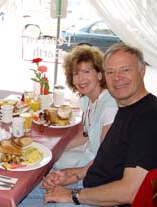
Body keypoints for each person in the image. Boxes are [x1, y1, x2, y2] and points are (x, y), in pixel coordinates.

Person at [43, 43, 157, 206]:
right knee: (20, 193)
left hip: (98, 199)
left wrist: (72, 195)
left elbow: (130, 192)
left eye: (125, 69)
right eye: (111, 72)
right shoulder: (125, 108)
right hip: (88, 185)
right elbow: (106, 159)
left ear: (142, 70)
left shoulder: (149, 118)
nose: (117, 77)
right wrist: (74, 174)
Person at [18, 45, 118, 207]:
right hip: (85, 164)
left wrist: (73, 176)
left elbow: (105, 156)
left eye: (86, 72)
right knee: (24, 190)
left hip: (96, 175)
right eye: (76, 73)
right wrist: (54, 149)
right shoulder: (87, 100)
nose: (80, 78)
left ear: (100, 74)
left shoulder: (109, 105)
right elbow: (84, 134)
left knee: (47, 196)